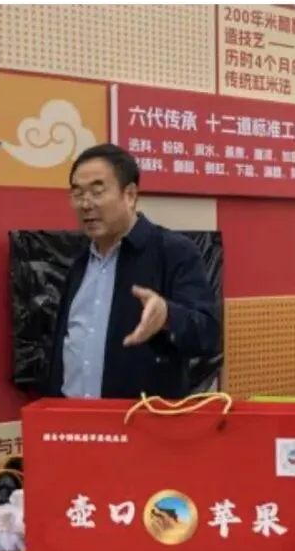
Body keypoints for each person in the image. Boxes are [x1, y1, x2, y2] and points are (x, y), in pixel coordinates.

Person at [44, 143, 221, 400]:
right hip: (73, 416)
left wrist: (168, 315)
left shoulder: (173, 252)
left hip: (140, 418)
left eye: (97, 192)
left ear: (130, 195)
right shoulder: (80, 264)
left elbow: (208, 335)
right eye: (77, 194)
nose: (85, 204)